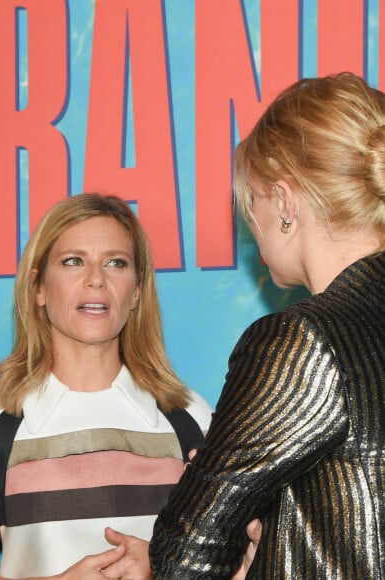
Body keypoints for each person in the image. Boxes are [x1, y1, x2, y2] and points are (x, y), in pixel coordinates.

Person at [149, 72, 385, 578]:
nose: (250, 223)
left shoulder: (304, 341)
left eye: (249, 201)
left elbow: (183, 557)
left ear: (283, 203)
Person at [0, 193, 214, 579]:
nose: (97, 279)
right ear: (38, 287)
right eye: (73, 262)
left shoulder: (192, 420)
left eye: (116, 263)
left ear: (136, 290)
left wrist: (163, 563)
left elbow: (229, 563)